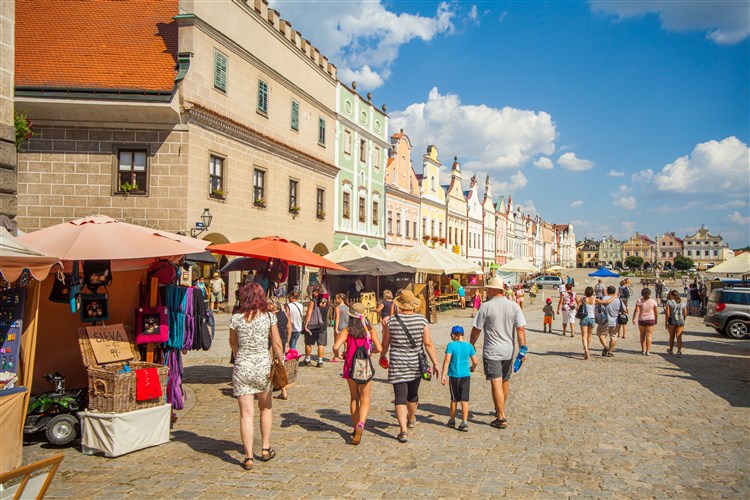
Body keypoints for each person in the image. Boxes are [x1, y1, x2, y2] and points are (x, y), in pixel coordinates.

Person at [229, 283, 285, 470]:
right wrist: (281, 362)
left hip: (243, 366)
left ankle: (248, 457)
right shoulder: (269, 317)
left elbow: (233, 344)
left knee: (246, 414)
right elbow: (277, 344)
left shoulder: (236, 318)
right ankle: (265, 448)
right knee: (266, 409)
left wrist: (240, 358)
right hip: (263, 367)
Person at [380, 289, 440, 443]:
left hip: (397, 362)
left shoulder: (391, 321)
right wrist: (435, 363)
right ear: (413, 305)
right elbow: (428, 343)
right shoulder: (421, 320)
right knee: (412, 394)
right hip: (415, 363)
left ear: (399, 305)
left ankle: (403, 431)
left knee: (399, 397)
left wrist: (382, 356)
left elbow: (385, 343)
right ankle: (411, 419)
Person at [470, 276, 527, 430]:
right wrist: (523, 349)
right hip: (508, 350)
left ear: (494, 290)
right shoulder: (514, 306)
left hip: (492, 350)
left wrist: (471, 345)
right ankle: (499, 409)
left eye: (488, 289)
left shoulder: (486, 307)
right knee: (504, 381)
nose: (487, 291)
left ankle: (501, 417)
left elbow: (476, 329)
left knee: (496, 381)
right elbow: (520, 329)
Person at [332, 302, 382, 445]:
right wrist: (369, 350)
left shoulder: (347, 330)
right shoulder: (370, 330)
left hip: (349, 366)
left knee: (354, 397)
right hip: (363, 366)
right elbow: (379, 348)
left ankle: (355, 428)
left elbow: (335, 346)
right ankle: (361, 424)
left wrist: (339, 354)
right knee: (365, 398)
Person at [441, 325, 478, 431]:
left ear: (453, 335)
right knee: (464, 400)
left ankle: (452, 420)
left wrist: (443, 374)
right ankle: (464, 422)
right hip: (465, 375)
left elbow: (447, 360)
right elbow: (475, 361)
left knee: (454, 399)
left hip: (454, 375)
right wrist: (472, 368)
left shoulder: (451, 345)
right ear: (463, 335)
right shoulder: (469, 346)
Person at [269, 297, 292, 400]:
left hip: (273, 343)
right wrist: (287, 342)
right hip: (282, 341)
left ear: (272, 305)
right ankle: (283, 391)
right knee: (280, 365)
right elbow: (289, 328)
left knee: (273, 366)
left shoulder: (271, 316)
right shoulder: (284, 315)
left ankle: (274, 390)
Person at [303, 286, 329, 368]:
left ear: (317, 292)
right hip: (323, 324)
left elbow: (309, 313)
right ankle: (320, 361)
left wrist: (305, 324)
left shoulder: (313, 301)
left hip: (313, 325)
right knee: (320, 344)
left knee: (308, 342)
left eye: (314, 291)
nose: (313, 293)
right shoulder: (326, 301)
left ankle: (307, 359)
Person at [595, 285, 623, 358]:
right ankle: (610, 351)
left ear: (607, 291)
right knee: (613, 336)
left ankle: (605, 346)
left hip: (604, 321)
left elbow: (598, 309)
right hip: (615, 321)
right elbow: (624, 309)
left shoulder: (603, 298)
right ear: (615, 292)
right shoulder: (618, 300)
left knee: (602, 335)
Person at [633, 287, 659, 356]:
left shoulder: (639, 301)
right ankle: (648, 351)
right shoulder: (653, 301)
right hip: (651, 319)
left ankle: (643, 350)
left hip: (642, 319)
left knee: (642, 335)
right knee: (649, 335)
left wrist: (633, 318)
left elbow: (636, 310)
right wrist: (656, 319)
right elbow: (656, 312)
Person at [665, 289, 686, 356]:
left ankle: (671, 350)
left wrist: (666, 322)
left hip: (672, 320)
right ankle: (679, 351)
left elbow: (667, 314)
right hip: (681, 321)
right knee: (679, 336)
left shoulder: (669, 302)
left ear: (671, 295)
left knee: (672, 336)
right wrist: (683, 319)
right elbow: (685, 313)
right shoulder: (682, 303)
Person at [577, 287, 596, 359]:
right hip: (592, 318)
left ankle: (586, 350)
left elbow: (578, 307)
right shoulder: (594, 299)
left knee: (584, 335)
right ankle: (588, 348)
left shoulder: (582, 299)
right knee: (590, 335)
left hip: (584, 317)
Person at [332, 293, 349, 362]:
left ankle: (336, 357)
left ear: (340, 299)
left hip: (339, 326)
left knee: (336, 342)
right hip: (346, 327)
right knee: (346, 343)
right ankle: (347, 355)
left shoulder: (337, 308)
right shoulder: (348, 307)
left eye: (336, 298)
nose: (335, 300)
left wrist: (336, 328)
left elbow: (337, 318)